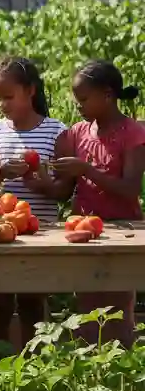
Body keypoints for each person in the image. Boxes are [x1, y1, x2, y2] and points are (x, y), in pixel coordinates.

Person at [50, 60, 145, 345]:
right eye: (76, 99)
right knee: (87, 305)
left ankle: (121, 362)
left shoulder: (133, 133)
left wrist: (86, 170)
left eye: (83, 99)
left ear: (107, 95)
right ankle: (90, 361)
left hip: (123, 231)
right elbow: (63, 190)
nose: (78, 106)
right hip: (84, 230)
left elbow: (130, 188)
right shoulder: (78, 133)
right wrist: (39, 177)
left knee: (118, 305)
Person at [0, 58, 66, 344]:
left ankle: (36, 362)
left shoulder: (56, 132)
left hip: (41, 234)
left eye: (8, 97)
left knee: (33, 305)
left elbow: (65, 191)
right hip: (0, 233)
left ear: (30, 91)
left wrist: (43, 184)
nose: (2, 104)